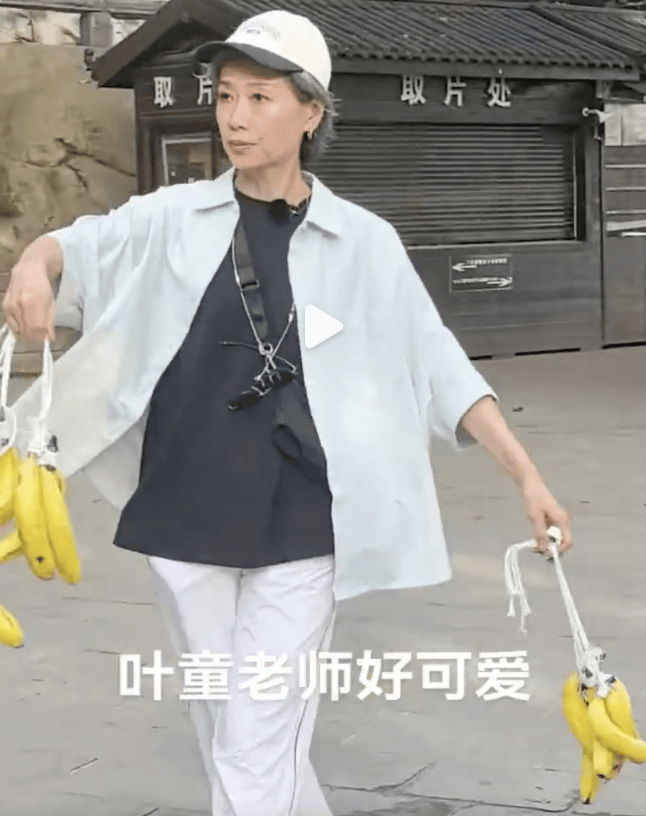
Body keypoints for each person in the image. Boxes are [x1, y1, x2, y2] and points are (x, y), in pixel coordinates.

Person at [1, 9, 572, 816]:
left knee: (256, 731)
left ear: (311, 111)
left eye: (259, 98)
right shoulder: (170, 219)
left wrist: (527, 475)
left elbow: (438, 363)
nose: (234, 117)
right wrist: (32, 265)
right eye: (225, 95)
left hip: (304, 516)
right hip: (184, 509)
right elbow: (76, 246)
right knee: (227, 719)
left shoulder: (364, 242)